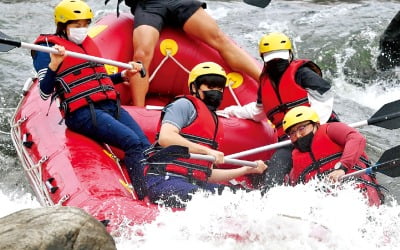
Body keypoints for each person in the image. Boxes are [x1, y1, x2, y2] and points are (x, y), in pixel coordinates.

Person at [31, 0, 150, 199]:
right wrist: (54, 65)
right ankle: (144, 195)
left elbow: (96, 81)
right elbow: (44, 92)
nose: (82, 29)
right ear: (62, 25)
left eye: (85, 24)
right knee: (132, 143)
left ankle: (153, 186)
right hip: (82, 113)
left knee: (146, 146)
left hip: (110, 106)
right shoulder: (47, 49)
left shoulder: (87, 45)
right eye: (76, 25)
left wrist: (122, 76)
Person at [221, 32, 340, 190]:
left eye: (280, 58)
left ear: (290, 55)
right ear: (263, 59)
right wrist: (232, 111)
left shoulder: (301, 73)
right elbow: (258, 112)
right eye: (272, 59)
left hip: (320, 129)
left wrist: (313, 128)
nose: (277, 62)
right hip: (290, 139)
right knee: (275, 169)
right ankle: (271, 198)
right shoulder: (265, 83)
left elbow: (325, 97)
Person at [141, 62, 267, 207]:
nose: (216, 92)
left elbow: (206, 174)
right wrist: (207, 150)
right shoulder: (183, 105)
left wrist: (245, 169)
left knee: (247, 199)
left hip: (194, 183)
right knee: (211, 201)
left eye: (220, 88)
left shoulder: (214, 121)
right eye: (210, 87)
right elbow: (166, 137)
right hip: (164, 180)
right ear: (194, 87)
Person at [107, 0, 262, 107]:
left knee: (219, 38)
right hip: (148, 5)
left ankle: (269, 81)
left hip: (179, 1)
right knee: (141, 54)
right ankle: (139, 112)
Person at [282, 106, 384, 206]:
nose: (298, 135)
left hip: (359, 196)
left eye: (301, 128)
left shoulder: (330, 129)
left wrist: (342, 167)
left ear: (315, 125)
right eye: (293, 133)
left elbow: (356, 139)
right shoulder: (296, 159)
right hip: (327, 207)